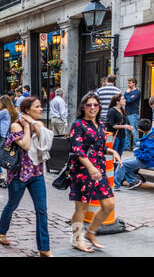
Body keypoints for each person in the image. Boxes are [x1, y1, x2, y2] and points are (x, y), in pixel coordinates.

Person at [0, 97, 54, 257]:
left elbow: (47, 143)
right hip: (18, 175)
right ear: (27, 110)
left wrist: (33, 124)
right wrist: (27, 127)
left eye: (41, 106)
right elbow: (26, 145)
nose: (41, 109)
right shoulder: (15, 126)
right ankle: (1, 231)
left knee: (42, 210)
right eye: (37, 107)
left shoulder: (39, 124)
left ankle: (44, 249)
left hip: (36, 173)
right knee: (12, 205)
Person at [69, 93, 121, 252]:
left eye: (95, 105)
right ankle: (77, 239)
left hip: (99, 170)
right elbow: (77, 149)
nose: (92, 108)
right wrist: (90, 167)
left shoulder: (100, 124)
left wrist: (110, 150)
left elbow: (97, 146)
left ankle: (91, 232)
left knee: (109, 205)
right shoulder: (78, 124)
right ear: (83, 107)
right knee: (81, 209)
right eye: (89, 105)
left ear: (99, 107)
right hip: (83, 171)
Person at [114, 119, 153, 191]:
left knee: (121, 164)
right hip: (146, 158)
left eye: (139, 128)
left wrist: (136, 151)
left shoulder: (150, 141)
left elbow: (146, 157)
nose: (137, 129)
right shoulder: (151, 132)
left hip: (147, 161)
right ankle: (133, 181)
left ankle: (115, 185)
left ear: (142, 130)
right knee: (125, 163)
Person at [0, 95, 18, 185]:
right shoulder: (14, 112)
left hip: (3, 137)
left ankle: (2, 176)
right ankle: (8, 178)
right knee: (8, 157)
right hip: (11, 136)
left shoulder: (4, 112)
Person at [106, 93, 132, 159]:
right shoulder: (111, 111)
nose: (125, 100)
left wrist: (127, 127)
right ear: (117, 102)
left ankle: (117, 167)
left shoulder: (122, 110)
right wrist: (124, 126)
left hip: (122, 135)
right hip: (114, 135)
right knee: (112, 155)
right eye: (123, 99)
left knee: (119, 155)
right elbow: (112, 125)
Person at [123, 78, 141, 150]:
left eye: (130, 83)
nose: (128, 84)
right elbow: (125, 99)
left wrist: (126, 94)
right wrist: (126, 96)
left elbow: (129, 100)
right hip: (126, 113)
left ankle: (135, 147)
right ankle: (126, 147)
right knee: (126, 131)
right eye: (128, 83)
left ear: (134, 83)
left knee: (134, 131)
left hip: (133, 114)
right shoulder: (128, 92)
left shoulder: (137, 92)